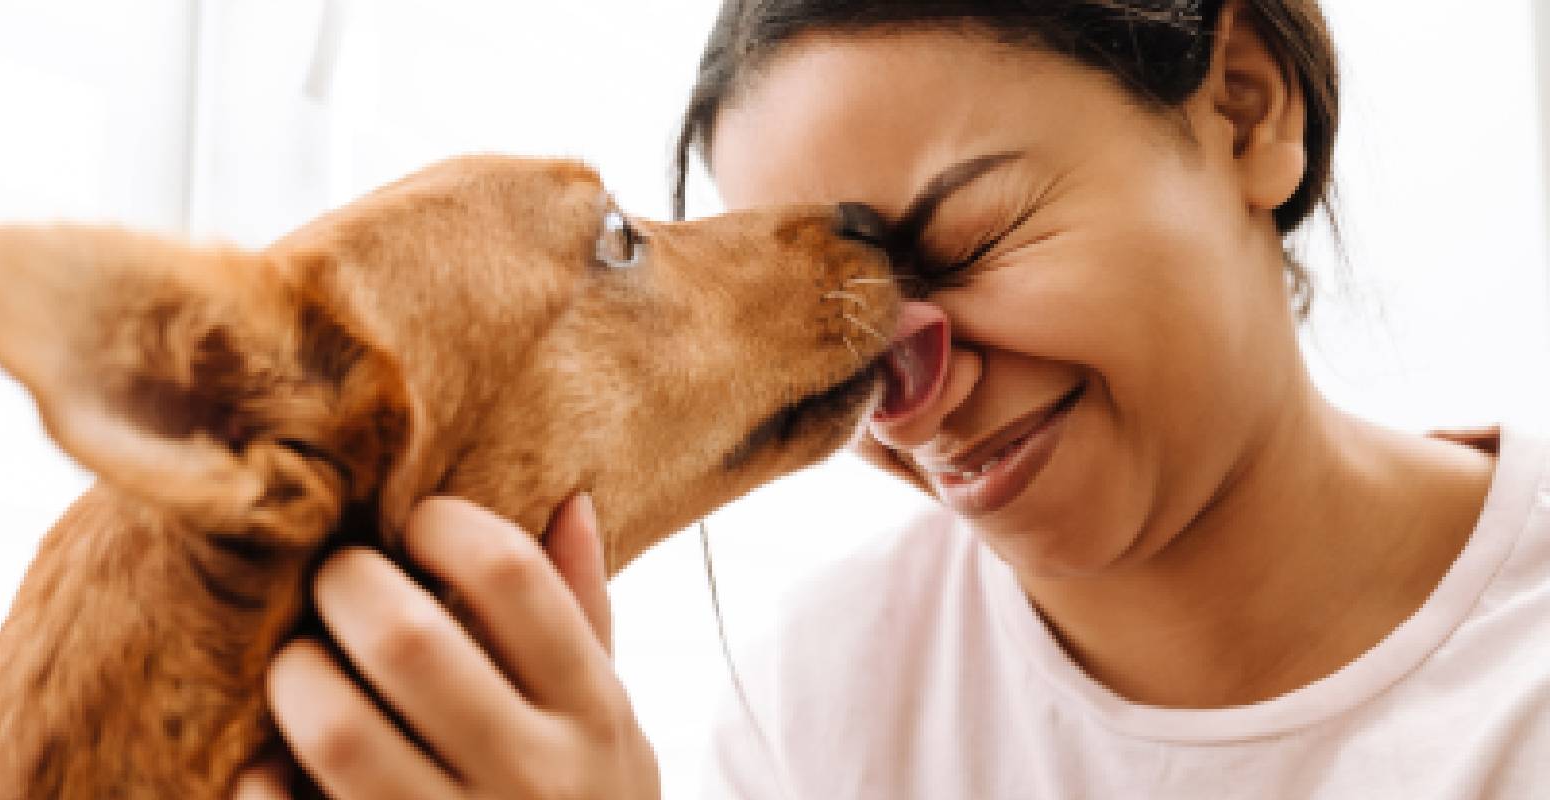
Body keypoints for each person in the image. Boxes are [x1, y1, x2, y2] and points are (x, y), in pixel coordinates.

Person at [237, 0, 1550, 797]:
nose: (907, 402)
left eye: (970, 239)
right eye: (839, 341)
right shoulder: (828, 693)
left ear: (1248, 109)